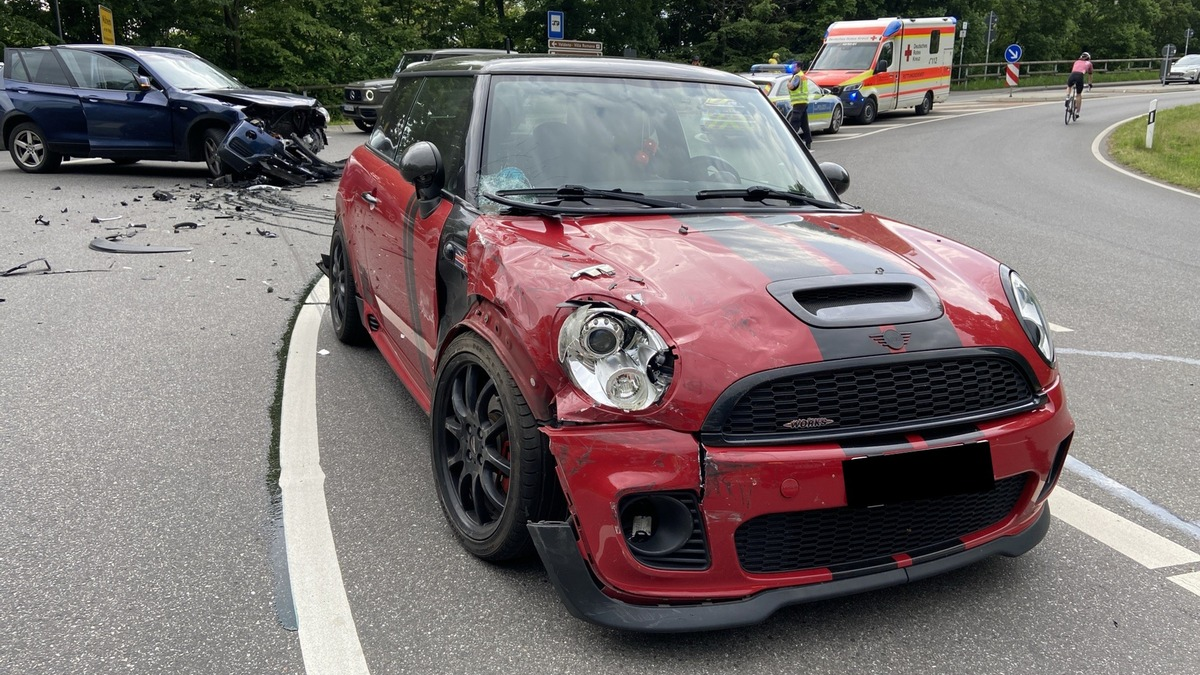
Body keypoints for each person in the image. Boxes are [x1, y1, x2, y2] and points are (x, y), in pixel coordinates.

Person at [786, 66, 813, 149]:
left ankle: (791, 140)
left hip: (798, 102)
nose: (793, 69)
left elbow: (791, 86)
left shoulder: (797, 76)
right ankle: (808, 141)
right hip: (803, 102)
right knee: (804, 124)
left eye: (794, 67)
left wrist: (788, 83)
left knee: (794, 122)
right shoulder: (802, 76)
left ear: (799, 68)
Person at [1066, 52, 1094, 119]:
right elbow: (1090, 75)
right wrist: (1090, 84)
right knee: (1078, 95)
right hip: (1080, 76)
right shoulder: (1089, 63)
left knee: (1069, 86)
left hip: (1072, 75)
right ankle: (1077, 112)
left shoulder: (1076, 61)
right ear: (1088, 58)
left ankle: (1067, 96)